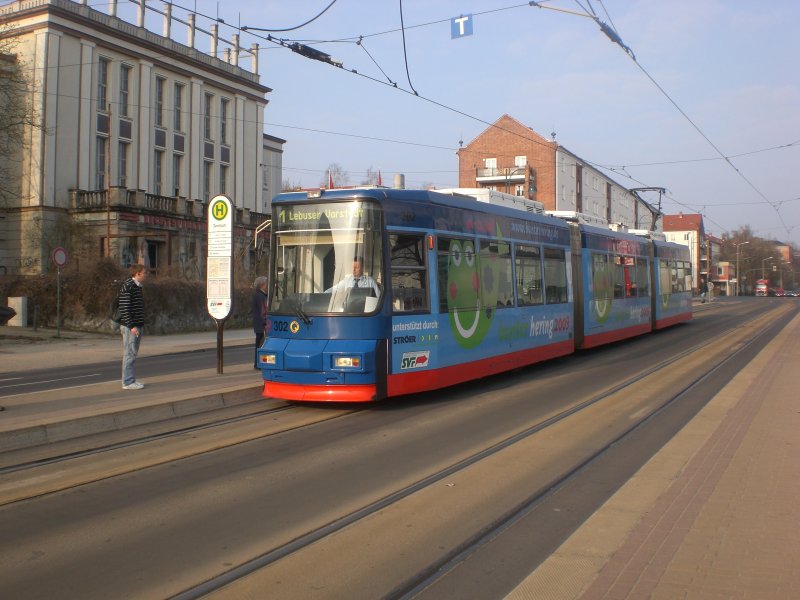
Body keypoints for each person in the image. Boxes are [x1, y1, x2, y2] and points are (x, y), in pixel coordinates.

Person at [118, 264, 146, 390]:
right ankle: (128, 382)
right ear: (138, 273)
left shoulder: (137, 287)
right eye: (144, 273)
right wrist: (131, 326)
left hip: (137, 326)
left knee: (132, 353)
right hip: (131, 327)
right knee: (129, 353)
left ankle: (131, 380)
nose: (146, 275)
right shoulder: (128, 285)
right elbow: (124, 308)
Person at [252, 276, 269, 369]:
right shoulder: (261, 296)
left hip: (259, 325)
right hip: (262, 325)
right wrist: (267, 322)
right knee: (260, 345)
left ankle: (258, 363)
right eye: (266, 284)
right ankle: (258, 364)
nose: (267, 286)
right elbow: (263, 311)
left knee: (259, 344)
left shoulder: (259, 295)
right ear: (262, 285)